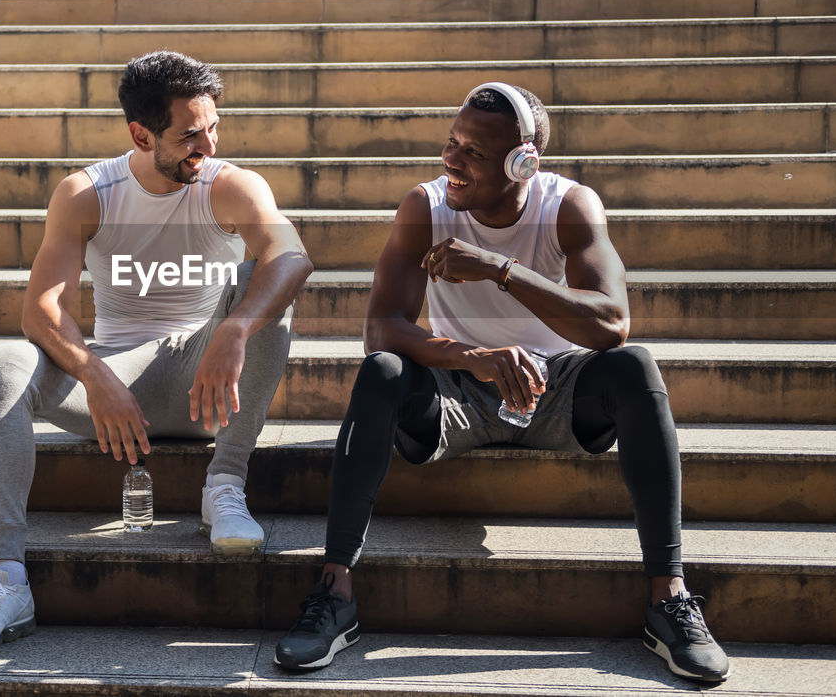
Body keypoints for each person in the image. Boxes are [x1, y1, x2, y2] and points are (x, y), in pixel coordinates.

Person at [274, 82, 729, 683]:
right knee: (382, 372)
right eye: (451, 143)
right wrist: (474, 357)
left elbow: (612, 325)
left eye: (473, 153)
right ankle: (335, 592)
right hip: (459, 392)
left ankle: (669, 597)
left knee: (635, 365)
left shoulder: (568, 205)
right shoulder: (426, 207)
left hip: (559, 390)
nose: (451, 161)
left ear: (523, 161)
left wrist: (500, 269)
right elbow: (381, 330)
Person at [0, 50, 313, 662]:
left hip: (207, 378)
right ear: (141, 133)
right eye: (190, 135)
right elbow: (40, 310)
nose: (208, 145)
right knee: (3, 362)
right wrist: (93, 371)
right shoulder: (88, 192)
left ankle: (224, 484)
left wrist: (236, 328)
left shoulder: (231, 183)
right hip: (116, 380)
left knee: (266, 292)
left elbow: (293, 256)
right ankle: (5, 581)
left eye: (213, 127)